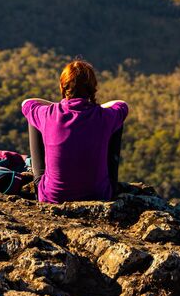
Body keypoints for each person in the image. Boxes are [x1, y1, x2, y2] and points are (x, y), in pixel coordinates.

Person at [21, 59, 128, 203]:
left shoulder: (48, 114)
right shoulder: (104, 116)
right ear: (93, 88)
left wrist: (58, 106)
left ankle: (38, 179)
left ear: (63, 87)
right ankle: (111, 182)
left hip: (53, 197)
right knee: (117, 121)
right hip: (99, 195)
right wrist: (97, 107)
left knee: (33, 117)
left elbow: (27, 103)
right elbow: (122, 105)